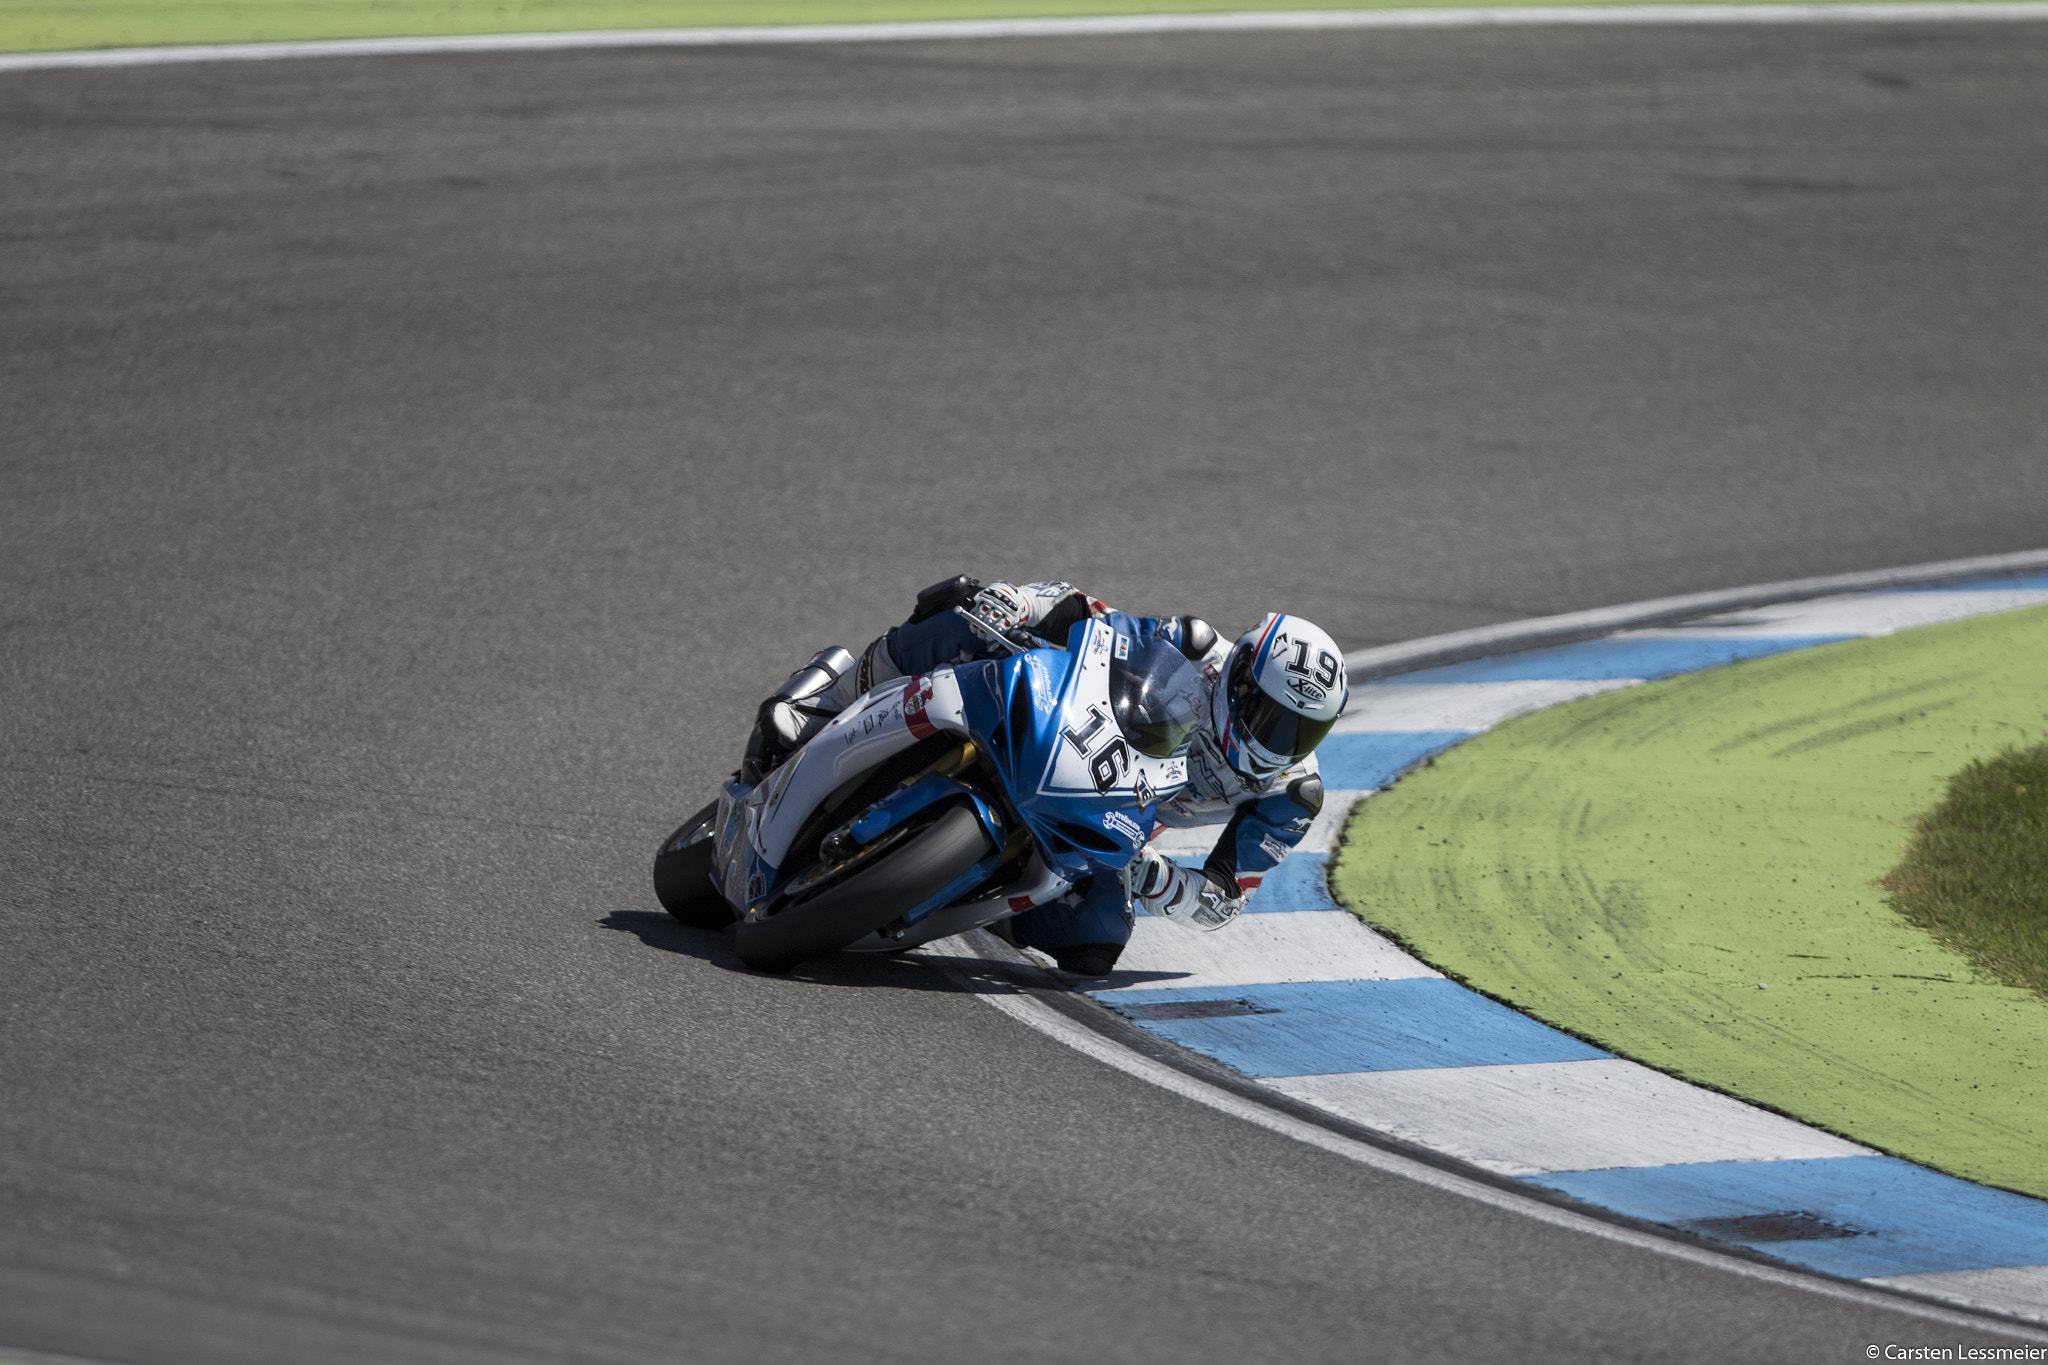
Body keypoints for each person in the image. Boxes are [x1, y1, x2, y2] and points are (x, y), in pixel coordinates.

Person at [743, 576, 1347, 977]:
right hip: (1076, 732)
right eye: (1270, 718)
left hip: (1115, 822)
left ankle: (964, 899)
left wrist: (1160, 884)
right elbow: (1095, 619)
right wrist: (1020, 602)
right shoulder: (1196, 647)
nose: (1279, 743)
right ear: (1240, 678)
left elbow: (1221, 903)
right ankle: (827, 702)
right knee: (960, 620)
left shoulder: (1292, 794)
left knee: (1096, 943)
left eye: (1301, 732)